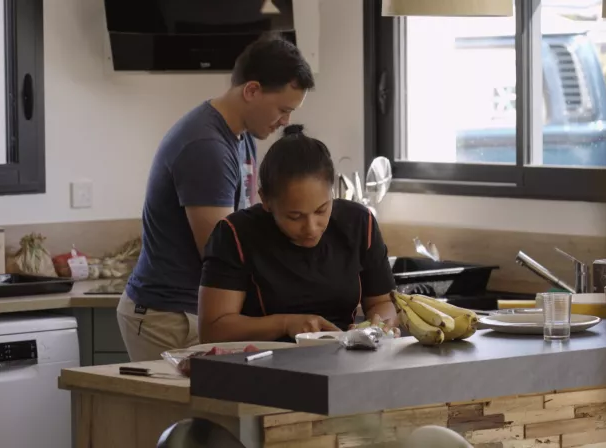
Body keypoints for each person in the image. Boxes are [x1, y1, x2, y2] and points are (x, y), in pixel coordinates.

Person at [117, 34, 315, 361]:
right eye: (283, 109)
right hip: (167, 316)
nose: (285, 122)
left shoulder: (242, 135)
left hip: (190, 309)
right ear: (252, 90)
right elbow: (219, 251)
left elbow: (245, 226)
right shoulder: (207, 147)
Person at [198, 125, 399, 342]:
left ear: (332, 192)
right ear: (265, 200)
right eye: (295, 217)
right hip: (263, 357)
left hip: (343, 353)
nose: (311, 227)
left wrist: (380, 324)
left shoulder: (359, 222)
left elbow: (382, 302)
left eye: (321, 210)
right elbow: (213, 330)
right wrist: (285, 324)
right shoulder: (235, 233)